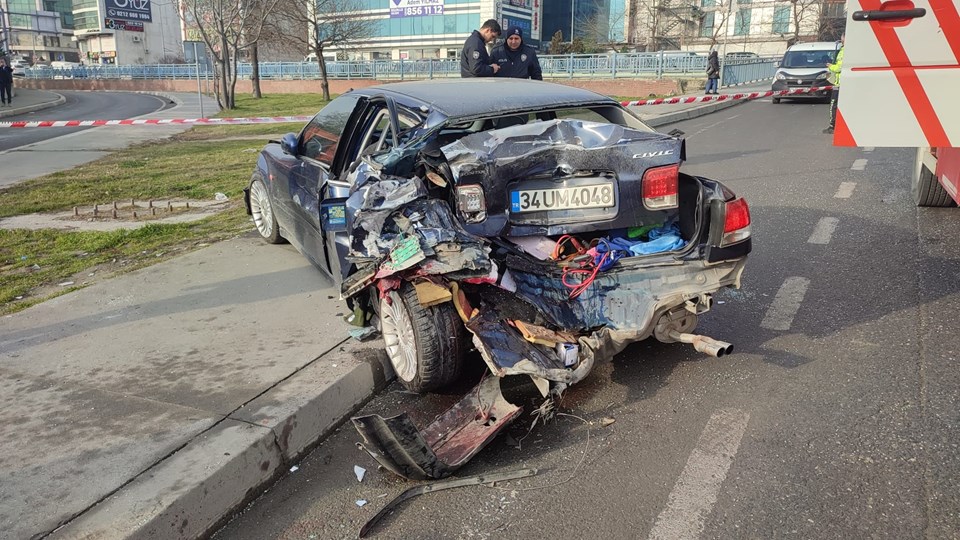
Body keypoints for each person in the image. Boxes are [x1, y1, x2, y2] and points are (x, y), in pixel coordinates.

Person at [824, 36, 844, 134]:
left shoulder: (844, 51)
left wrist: (831, 66)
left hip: (840, 83)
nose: (841, 38)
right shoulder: (842, 49)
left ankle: (833, 126)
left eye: (843, 36)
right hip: (840, 82)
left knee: (834, 105)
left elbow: (840, 67)